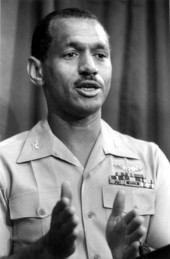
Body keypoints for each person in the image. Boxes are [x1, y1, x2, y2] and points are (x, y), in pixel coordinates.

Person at [0, 7, 170, 259]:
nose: (90, 67)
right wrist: (44, 250)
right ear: (38, 71)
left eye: (101, 55)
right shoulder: (5, 163)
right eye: (71, 54)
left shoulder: (151, 159)